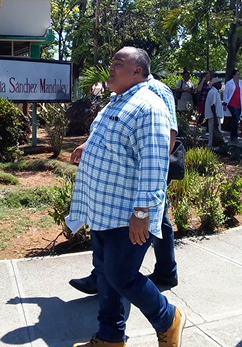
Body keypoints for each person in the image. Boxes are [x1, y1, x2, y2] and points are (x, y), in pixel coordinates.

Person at [67, 46, 185, 347]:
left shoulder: (149, 106)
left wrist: (142, 213)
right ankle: (110, 337)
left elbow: (154, 165)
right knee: (107, 276)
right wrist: (87, 146)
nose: (111, 67)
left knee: (122, 277)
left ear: (137, 71)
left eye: (118, 63)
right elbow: (105, 139)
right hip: (103, 208)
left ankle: (168, 318)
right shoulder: (116, 102)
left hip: (127, 213)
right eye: (112, 62)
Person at [222, 69, 242, 141]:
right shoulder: (229, 83)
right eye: (237, 74)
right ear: (233, 75)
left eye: (239, 74)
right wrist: (225, 103)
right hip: (231, 103)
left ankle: (234, 134)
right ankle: (234, 135)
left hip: (239, 104)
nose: (239, 76)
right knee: (235, 118)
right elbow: (226, 94)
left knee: (237, 119)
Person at [204, 76, 224, 148]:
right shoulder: (214, 92)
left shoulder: (214, 91)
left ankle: (211, 146)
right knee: (215, 132)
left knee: (212, 132)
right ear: (215, 84)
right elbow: (212, 105)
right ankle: (213, 146)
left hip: (214, 115)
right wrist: (215, 118)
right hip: (214, 116)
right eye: (219, 83)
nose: (221, 84)